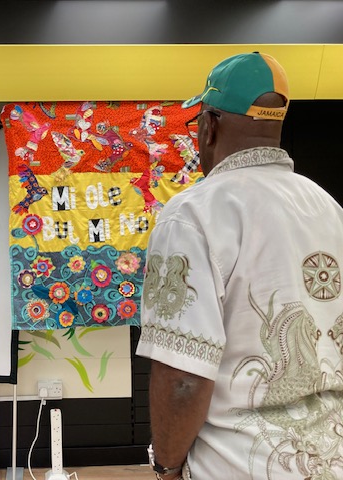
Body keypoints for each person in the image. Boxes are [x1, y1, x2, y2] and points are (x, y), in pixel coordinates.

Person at [136, 52, 343, 480]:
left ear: (208, 125)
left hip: (237, 465)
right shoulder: (328, 208)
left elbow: (182, 378)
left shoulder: (193, 214)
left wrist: (168, 467)